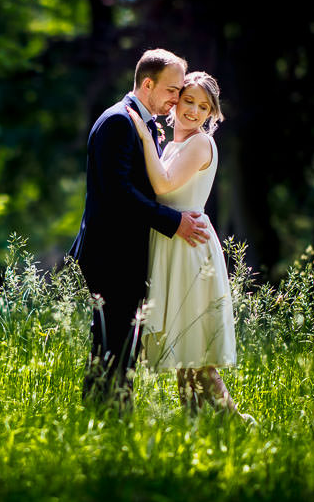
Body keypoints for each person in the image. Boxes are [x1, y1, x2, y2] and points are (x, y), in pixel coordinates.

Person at [68, 49, 210, 409]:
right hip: (111, 253)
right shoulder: (118, 121)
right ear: (148, 84)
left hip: (124, 252)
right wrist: (173, 222)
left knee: (121, 345)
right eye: (173, 90)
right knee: (113, 344)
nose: (177, 100)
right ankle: (105, 421)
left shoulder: (142, 122)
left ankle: (109, 420)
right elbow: (119, 194)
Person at [125, 71, 251, 421]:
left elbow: (164, 187)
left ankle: (237, 424)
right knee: (183, 355)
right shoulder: (173, 144)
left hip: (191, 248)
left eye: (204, 107)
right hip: (173, 244)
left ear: (213, 114)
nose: (194, 111)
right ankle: (193, 431)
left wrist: (142, 133)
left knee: (198, 356)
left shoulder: (199, 143)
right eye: (189, 101)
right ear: (176, 101)